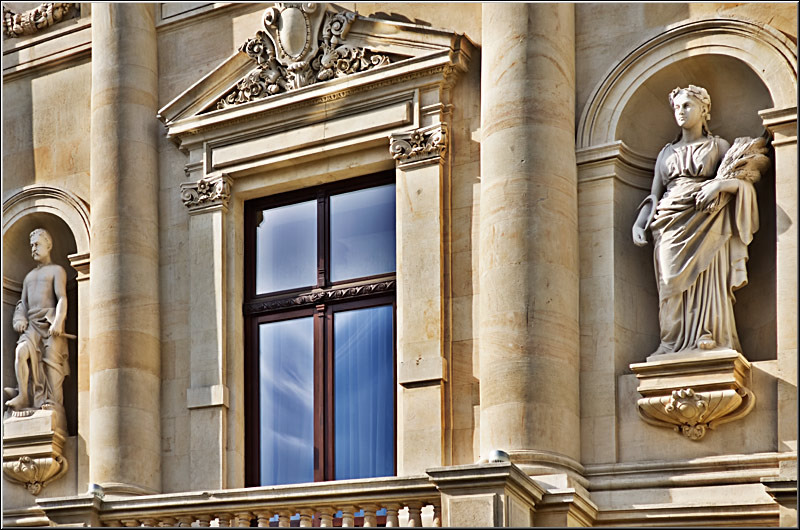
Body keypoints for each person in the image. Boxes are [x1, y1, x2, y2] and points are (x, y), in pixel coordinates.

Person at [632, 85, 762, 356]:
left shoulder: (718, 146)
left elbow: (742, 184)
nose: (680, 112)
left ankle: (709, 333)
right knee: (669, 282)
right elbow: (654, 195)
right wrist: (639, 223)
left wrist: (719, 185)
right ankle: (670, 342)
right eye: (677, 107)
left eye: (687, 106)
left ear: (704, 110)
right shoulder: (666, 153)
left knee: (708, 277)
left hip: (708, 218)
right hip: (668, 221)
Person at [5, 228, 69, 412]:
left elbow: (62, 298)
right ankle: (23, 395)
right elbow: (22, 304)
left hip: (49, 323)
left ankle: (54, 403)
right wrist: (19, 318)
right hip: (32, 326)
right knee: (20, 352)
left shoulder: (57, 270)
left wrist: (58, 321)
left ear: (48, 246)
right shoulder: (29, 277)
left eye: (37, 244)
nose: (33, 248)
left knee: (51, 364)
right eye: (31, 245)